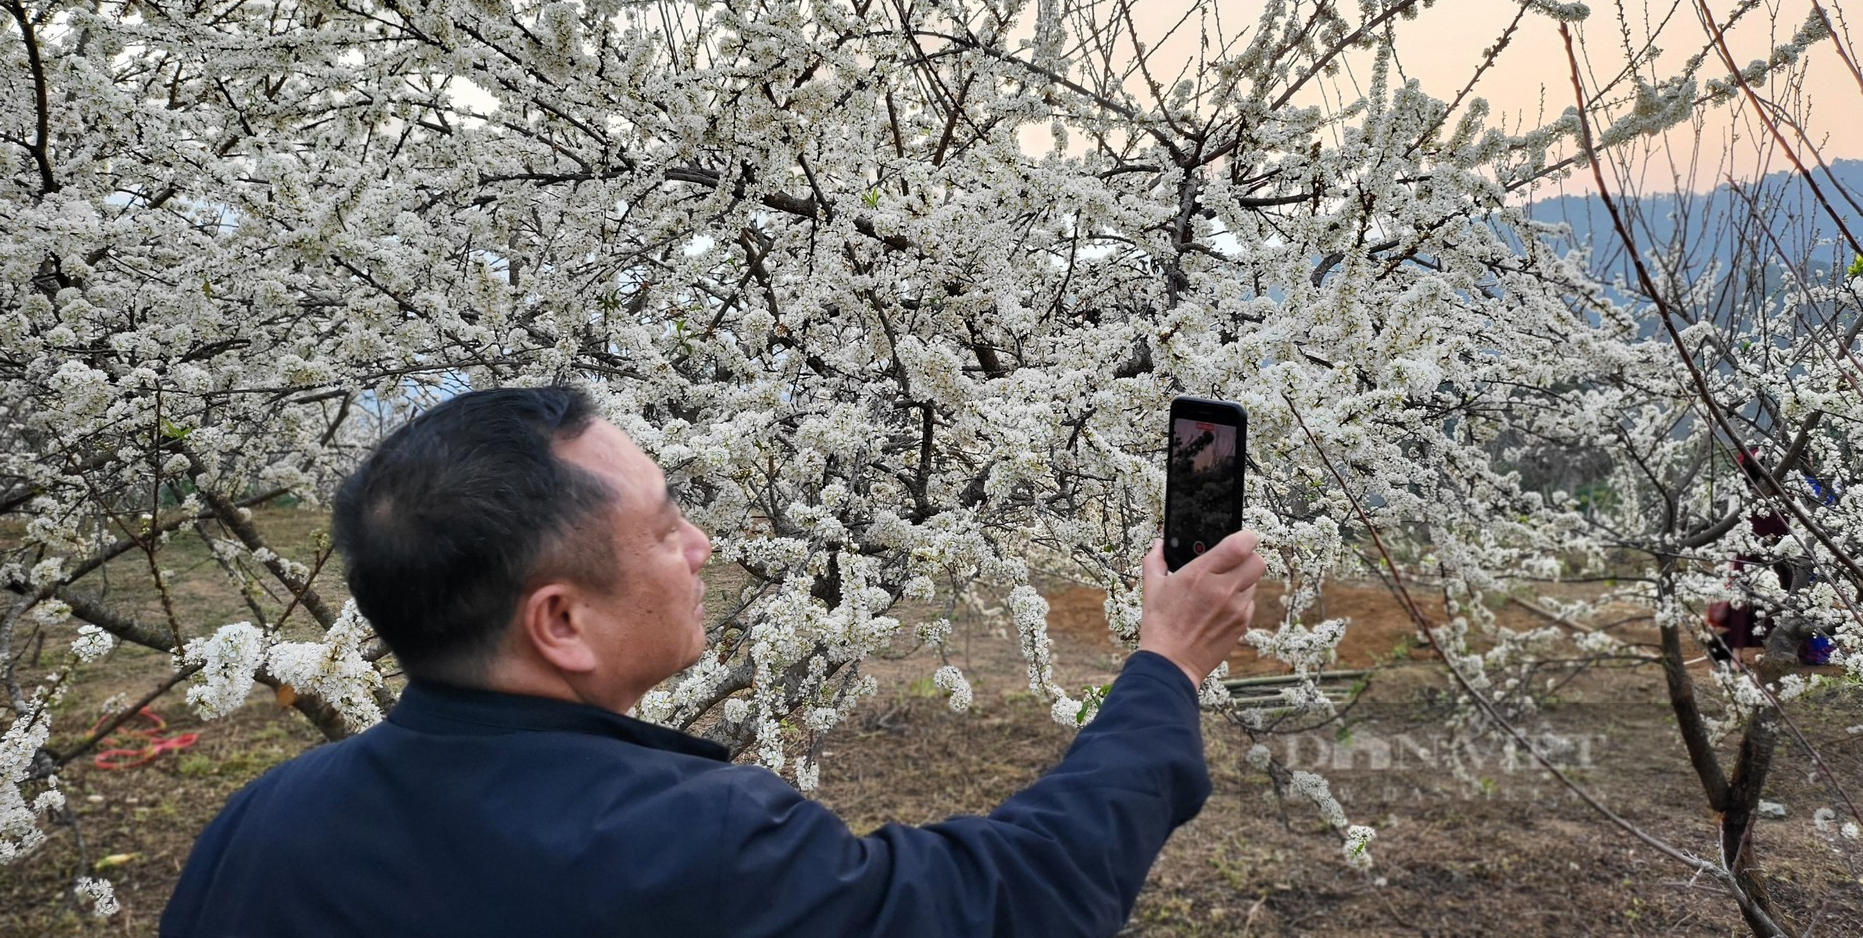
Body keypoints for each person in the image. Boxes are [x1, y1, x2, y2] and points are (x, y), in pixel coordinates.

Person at [161, 386, 1266, 937]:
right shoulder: (691, 848)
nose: (703, 547)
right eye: (663, 526)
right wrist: (1165, 661)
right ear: (559, 622)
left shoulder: (254, 833)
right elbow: (1007, 902)